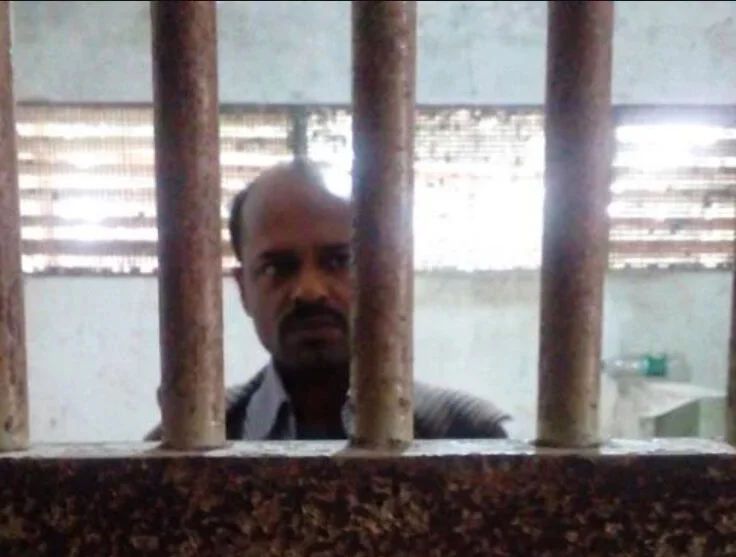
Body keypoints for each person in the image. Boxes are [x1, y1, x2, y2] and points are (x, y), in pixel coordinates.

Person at [146, 159, 509, 441]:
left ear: (390, 280)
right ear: (243, 290)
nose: (310, 290)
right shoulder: (187, 447)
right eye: (277, 267)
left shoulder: (467, 437)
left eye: (340, 261)